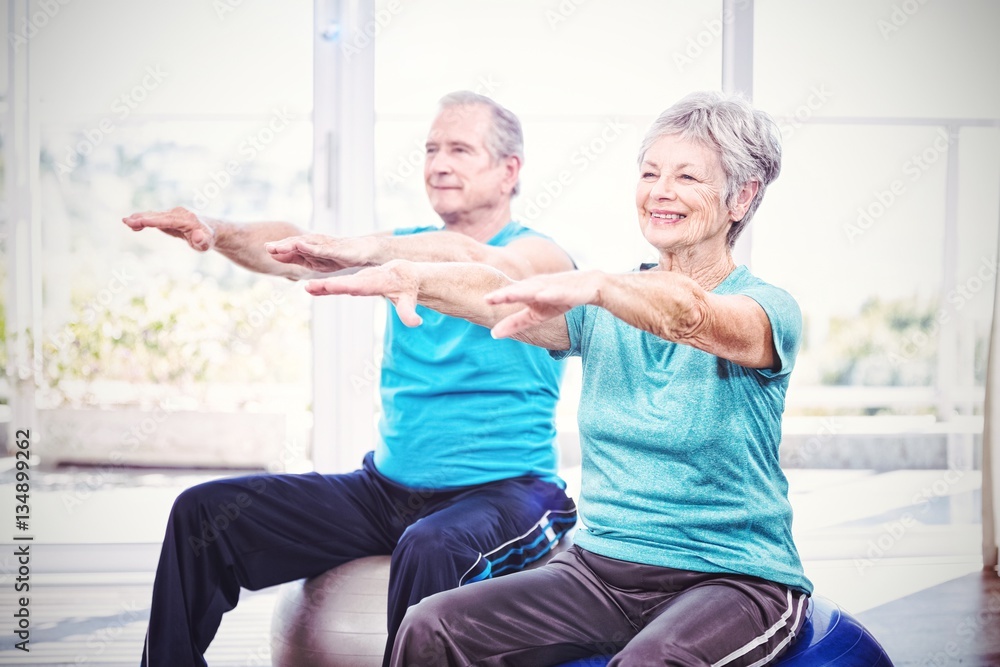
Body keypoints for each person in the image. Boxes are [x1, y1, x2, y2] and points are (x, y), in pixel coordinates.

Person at [304, 91, 814, 666]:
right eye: (649, 173)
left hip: (733, 579)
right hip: (601, 570)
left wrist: (599, 285)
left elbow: (692, 314)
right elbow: (493, 295)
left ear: (741, 196)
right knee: (431, 625)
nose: (660, 191)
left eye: (687, 176)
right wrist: (414, 275)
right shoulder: (602, 306)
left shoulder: (766, 310)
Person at [122, 91, 578, 667]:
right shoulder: (401, 246)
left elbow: (491, 265)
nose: (439, 163)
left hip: (508, 491)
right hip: (385, 492)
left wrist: (371, 252)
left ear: (509, 170)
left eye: (460, 149)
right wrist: (216, 230)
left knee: (431, 545)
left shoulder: (540, 256)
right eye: (432, 149)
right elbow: (290, 253)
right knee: (202, 513)